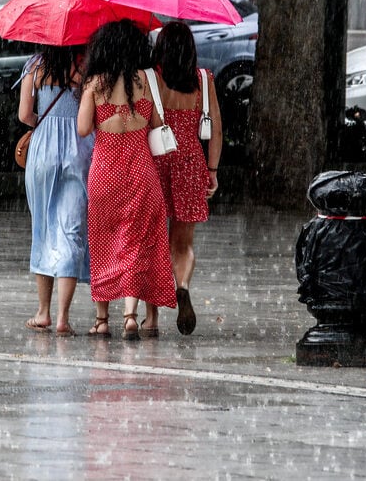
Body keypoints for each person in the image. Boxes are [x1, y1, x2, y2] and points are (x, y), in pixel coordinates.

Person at [77, 19, 176, 340]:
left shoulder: (94, 84)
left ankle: (102, 320)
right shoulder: (147, 82)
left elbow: (82, 129)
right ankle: (131, 316)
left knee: (104, 241)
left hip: (105, 174)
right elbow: (157, 123)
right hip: (141, 173)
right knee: (136, 241)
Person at [143, 22, 223, 336]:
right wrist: (212, 170)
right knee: (183, 243)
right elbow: (216, 128)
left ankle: (151, 318)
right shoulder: (203, 81)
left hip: (158, 160)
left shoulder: (152, 79)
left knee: (153, 241)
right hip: (192, 163)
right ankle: (183, 286)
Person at [19, 45, 94, 336]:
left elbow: (25, 113)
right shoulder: (85, 69)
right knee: (71, 230)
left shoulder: (35, 67)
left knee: (44, 228)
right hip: (80, 150)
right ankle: (63, 316)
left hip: (43, 151)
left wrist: (45, 124)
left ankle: (43, 312)